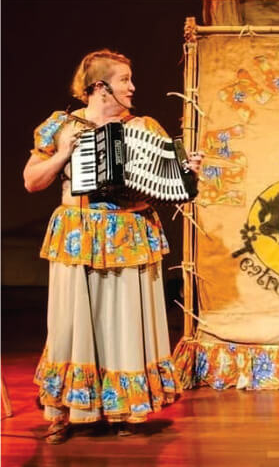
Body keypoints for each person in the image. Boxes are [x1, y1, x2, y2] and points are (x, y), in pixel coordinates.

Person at [24, 49, 202, 443]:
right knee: (72, 325)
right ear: (100, 87)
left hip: (129, 230)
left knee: (124, 323)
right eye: (125, 80)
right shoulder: (61, 126)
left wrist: (187, 171)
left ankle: (126, 410)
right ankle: (69, 410)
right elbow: (32, 181)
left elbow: (171, 182)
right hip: (79, 232)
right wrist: (65, 153)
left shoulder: (143, 126)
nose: (133, 86)